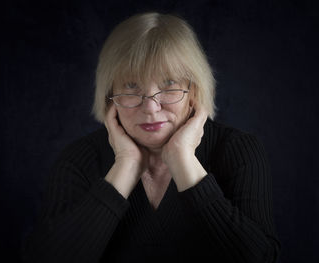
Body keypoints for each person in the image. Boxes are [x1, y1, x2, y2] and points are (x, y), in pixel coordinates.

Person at [22, 12, 281, 262]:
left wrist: (183, 161)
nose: (150, 107)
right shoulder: (79, 160)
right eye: (132, 86)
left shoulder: (238, 151)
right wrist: (125, 165)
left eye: (169, 85)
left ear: (194, 92)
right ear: (109, 97)